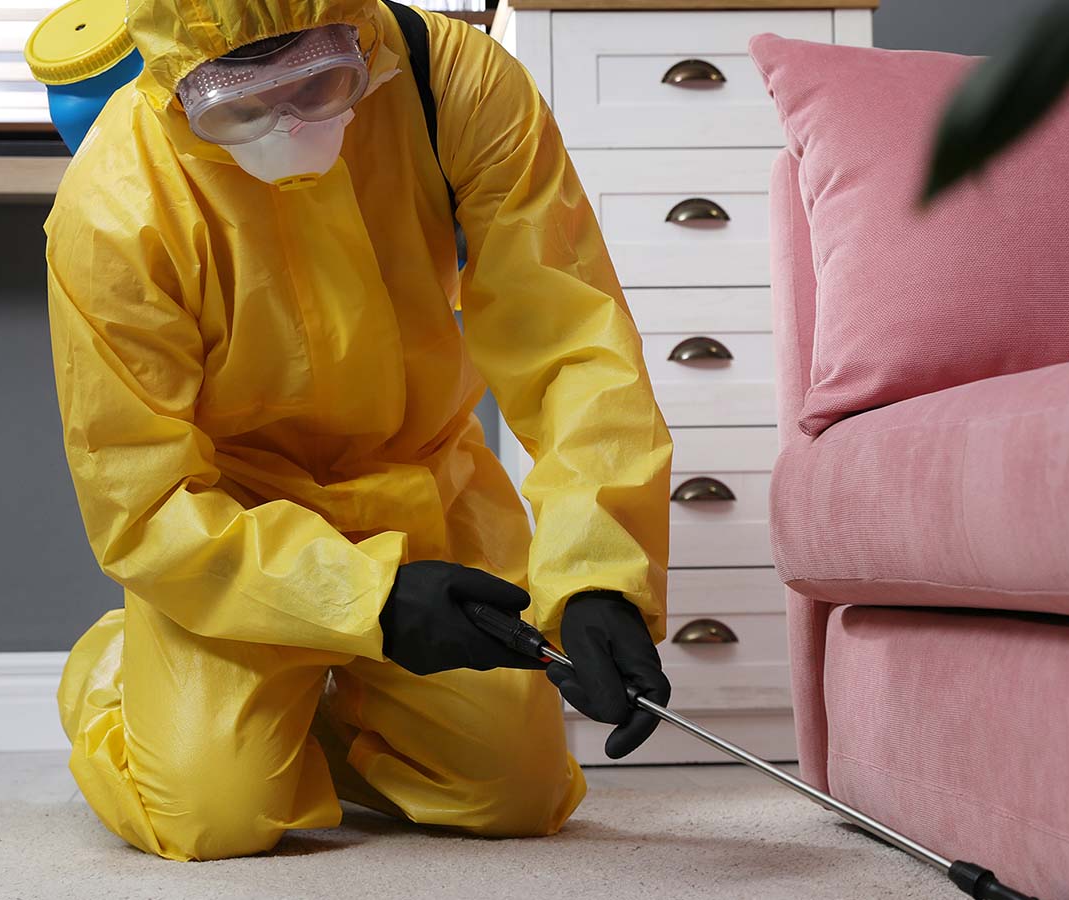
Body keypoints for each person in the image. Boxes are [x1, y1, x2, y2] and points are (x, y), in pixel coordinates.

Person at [46, 0, 673, 862]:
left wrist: (601, 576)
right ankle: (120, 674)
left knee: (513, 795)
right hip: (235, 527)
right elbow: (142, 497)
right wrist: (368, 601)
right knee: (210, 815)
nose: (287, 127)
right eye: (241, 107)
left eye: (318, 84)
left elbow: (570, 338)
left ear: (358, 35)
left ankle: (327, 713)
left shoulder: (450, 81)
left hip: (426, 485)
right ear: (181, 88)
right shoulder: (114, 201)